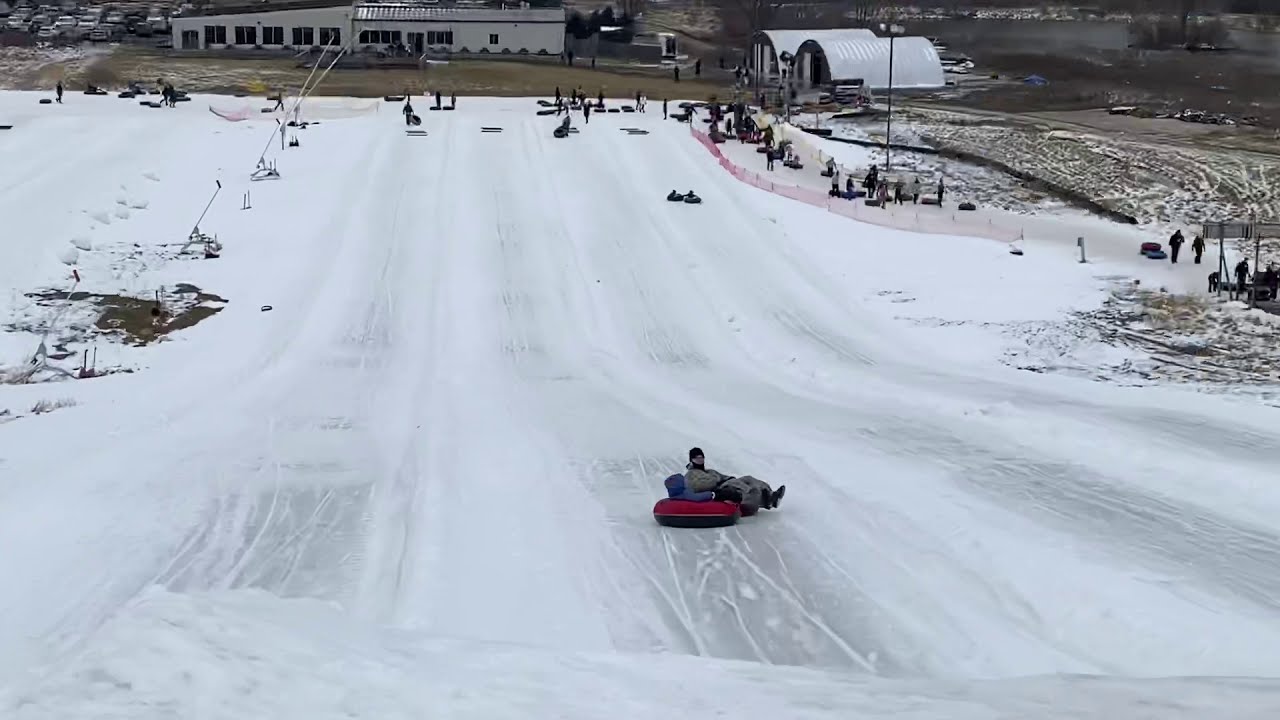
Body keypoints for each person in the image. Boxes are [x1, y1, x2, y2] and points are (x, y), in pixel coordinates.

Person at [683, 447, 785, 512]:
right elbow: (696, 487)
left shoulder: (710, 471)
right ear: (691, 460)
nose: (700, 460)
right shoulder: (690, 475)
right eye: (697, 458)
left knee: (748, 478)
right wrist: (716, 480)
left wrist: (727, 478)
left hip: (724, 484)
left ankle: (771, 495)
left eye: (701, 458)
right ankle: (756, 497)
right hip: (716, 491)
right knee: (745, 486)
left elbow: (723, 476)